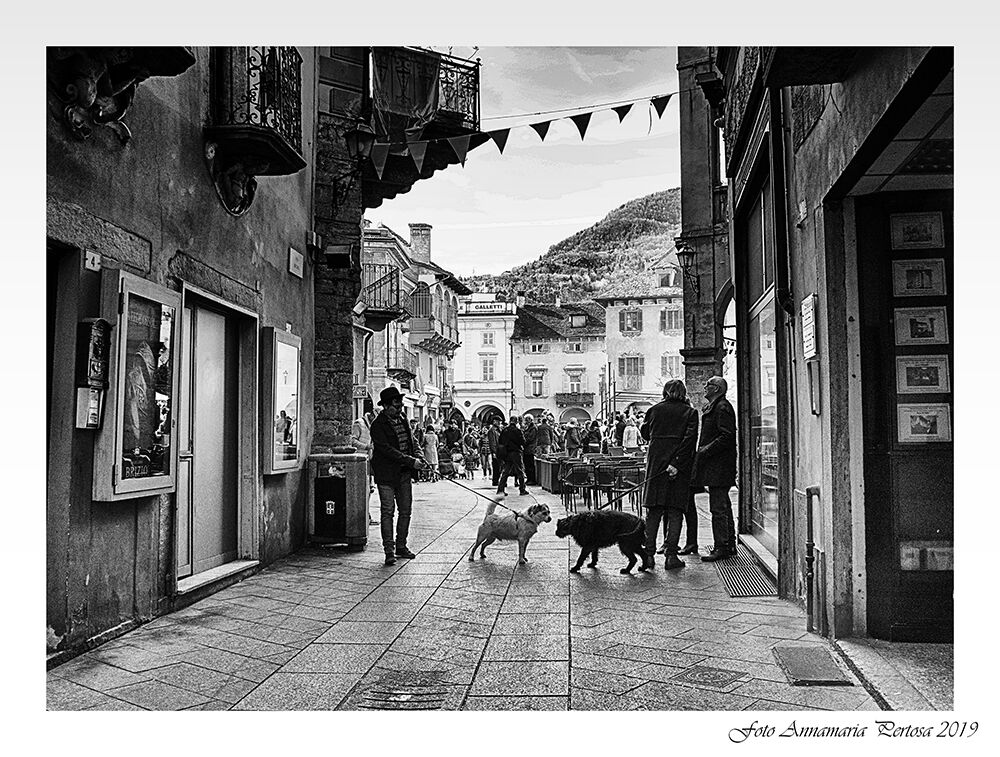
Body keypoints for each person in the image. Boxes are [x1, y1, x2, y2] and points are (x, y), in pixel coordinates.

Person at [640, 379, 699, 570]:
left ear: (665, 392)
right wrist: (676, 463)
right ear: (683, 392)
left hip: (656, 465)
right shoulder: (690, 413)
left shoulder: (654, 410)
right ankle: (671, 556)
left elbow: (646, 434)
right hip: (679, 469)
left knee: (654, 512)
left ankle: (648, 556)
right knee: (675, 512)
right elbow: (690, 441)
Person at [370, 386, 427, 565]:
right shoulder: (378, 426)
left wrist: (419, 455)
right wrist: (411, 461)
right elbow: (388, 451)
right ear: (386, 406)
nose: (400, 408)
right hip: (386, 475)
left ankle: (401, 546)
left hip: (403, 474)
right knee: (387, 512)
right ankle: (389, 550)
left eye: (401, 405)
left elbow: (412, 440)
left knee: (406, 511)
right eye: (396, 405)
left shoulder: (402, 419)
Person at [696, 376, 739, 562]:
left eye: (708, 384)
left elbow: (727, 436)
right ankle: (727, 544)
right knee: (722, 506)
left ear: (717, 389)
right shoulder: (718, 406)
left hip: (720, 466)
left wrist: (706, 450)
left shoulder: (722, 407)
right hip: (717, 465)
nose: (705, 387)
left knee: (718, 508)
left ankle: (722, 546)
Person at [350, 411, 376, 524]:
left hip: (368, 460)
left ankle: (366, 514)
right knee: (362, 489)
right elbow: (352, 440)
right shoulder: (359, 424)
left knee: (369, 489)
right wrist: (367, 446)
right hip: (359, 460)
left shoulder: (372, 426)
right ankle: (362, 516)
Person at [496, 415, 528, 495]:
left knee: (505, 472)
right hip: (516, 453)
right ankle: (522, 489)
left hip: (507, 453)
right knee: (520, 471)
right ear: (516, 421)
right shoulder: (517, 431)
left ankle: (500, 489)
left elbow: (500, 441)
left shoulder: (504, 430)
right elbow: (523, 442)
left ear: (510, 421)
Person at [487, 416, 504, 488]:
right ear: (494, 421)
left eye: (500, 422)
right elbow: (492, 442)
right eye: (498, 421)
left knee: (500, 465)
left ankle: (497, 480)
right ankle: (495, 481)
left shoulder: (498, 429)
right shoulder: (492, 430)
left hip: (500, 450)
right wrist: (493, 452)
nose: (499, 423)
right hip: (496, 450)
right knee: (496, 466)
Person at [522, 413, 538, 485]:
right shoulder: (528, 427)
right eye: (525, 420)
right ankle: (529, 479)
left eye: (527, 420)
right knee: (527, 464)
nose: (526, 421)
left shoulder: (533, 428)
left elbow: (530, 438)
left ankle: (532, 479)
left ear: (531, 420)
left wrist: (523, 441)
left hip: (530, 449)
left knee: (530, 465)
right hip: (527, 449)